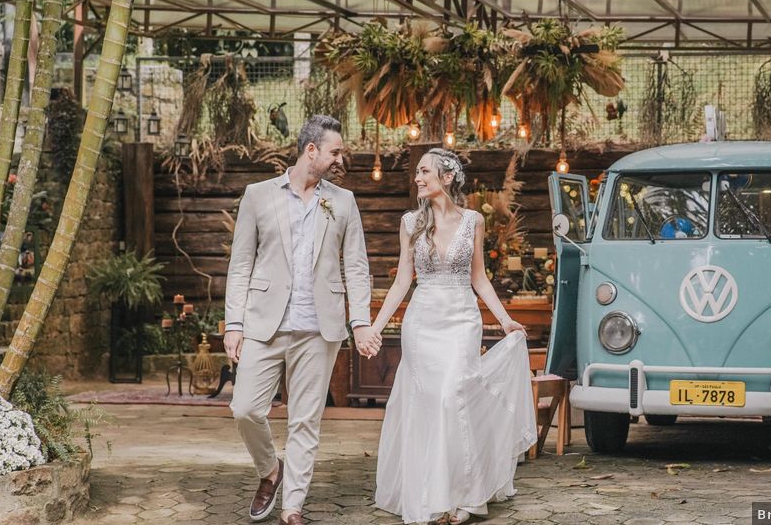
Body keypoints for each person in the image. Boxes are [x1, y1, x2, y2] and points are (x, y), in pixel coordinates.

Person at [224, 115, 382, 525]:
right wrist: (234, 324)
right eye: (335, 151)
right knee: (245, 409)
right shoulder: (257, 196)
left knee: (305, 420)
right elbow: (241, 265)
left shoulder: (343, 201)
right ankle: (270, 471)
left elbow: (357, 266)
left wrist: (360, 320)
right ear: (311, 150)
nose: (339, 158)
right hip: (263, 324)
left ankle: (292, 506)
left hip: (319, 329)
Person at [371, 148, 537, 524]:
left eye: (425, 171)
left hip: (462, 319)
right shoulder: (410, 222)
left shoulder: (473, 221)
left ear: (446, 178)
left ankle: (465, 493)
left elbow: (479, 277)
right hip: (422, 321)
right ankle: (436, 497)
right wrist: (375, 327)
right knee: (430, 404)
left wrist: (505, 319)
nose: (418, 178)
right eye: (417, 172)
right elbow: (402, 280)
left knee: (453, 397)